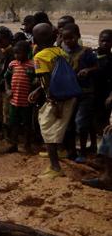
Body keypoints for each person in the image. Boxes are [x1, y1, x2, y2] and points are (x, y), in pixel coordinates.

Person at [28, 23, 77, 179]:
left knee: (47, 126)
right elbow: (58, 77)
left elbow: (47, 81)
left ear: (35, 39)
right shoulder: (61, 52)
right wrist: (38, 90)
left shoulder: (40, 57)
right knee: (57, 126)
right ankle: (60, 150)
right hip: (69, 94)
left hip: (57, 98)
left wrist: (53, 103)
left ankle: (55, 167)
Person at [61, 23, 98, 162]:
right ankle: (71, 151)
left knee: (81, 123)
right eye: (65, 39)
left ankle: (82, 151)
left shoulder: (86, 52)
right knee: (69, 124)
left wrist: (88, 70)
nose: (68, 41)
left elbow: (96, 66)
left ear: (78, 37)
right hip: (68, 93)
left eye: (71, 38)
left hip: (85, 93)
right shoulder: (62, 52)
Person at [4, 40, 36, 153]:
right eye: (15, 53)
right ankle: (14, 145)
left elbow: (37, 81)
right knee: (13, 124)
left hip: (27, 102)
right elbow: (6, 78)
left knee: (27, 124)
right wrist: (8, 89)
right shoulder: (12, 64)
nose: (17, 56)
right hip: (14, 101)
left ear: (27, 52)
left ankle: (27, 145)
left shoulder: (32, 65)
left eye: (20, 53)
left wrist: (35, 91)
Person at [94, 29, 112, 130]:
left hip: (106, 93)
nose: (104, 43)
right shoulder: (92, 55)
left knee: (104, 117)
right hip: (93, 91)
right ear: (98, 41)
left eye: (108, 41)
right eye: (102, 41)